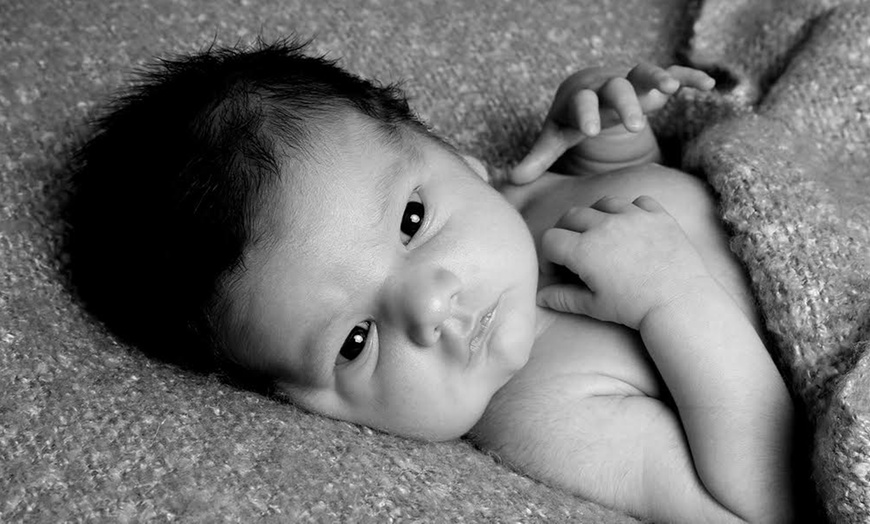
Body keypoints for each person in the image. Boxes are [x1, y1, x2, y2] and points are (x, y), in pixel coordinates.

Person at [70, 39, 795, 523]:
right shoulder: (544, 413)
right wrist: (677, 300)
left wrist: (615, 141)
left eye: (412, 220)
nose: (429, 302)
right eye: (355, 340)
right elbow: (766, 501)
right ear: (310, 406)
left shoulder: (525, 201)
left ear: (454, 153)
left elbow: (652, 182)